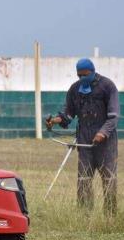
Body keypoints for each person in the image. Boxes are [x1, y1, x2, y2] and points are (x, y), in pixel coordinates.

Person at [45, 58, 119, 214]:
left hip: (105, 142)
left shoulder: (108, 86)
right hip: (84, 140)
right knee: (84, 179)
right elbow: (69, 114)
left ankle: (110, 214)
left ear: (92, 71)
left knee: (109, 178)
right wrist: (55, 121)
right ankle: (84, 214)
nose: (82, 78)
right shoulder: (75, 89)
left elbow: (113, 117)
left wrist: (102, 132)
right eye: (79, 75)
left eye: (85, 75)